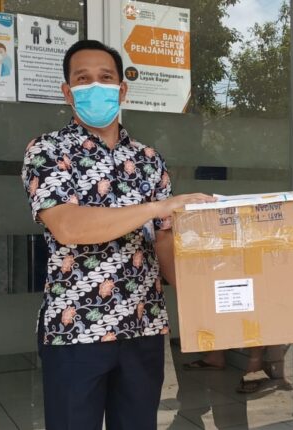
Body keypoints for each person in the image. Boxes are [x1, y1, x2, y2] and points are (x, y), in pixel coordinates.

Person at [21, 39, 214, 430]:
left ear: (122, 89)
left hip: (143, 326)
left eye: (105, 77)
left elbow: (164, 243)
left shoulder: (149, 159)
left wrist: (214, 292)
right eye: (83, 79)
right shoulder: (48, 151)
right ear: (67, 92)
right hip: (76, 329)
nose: (95, 86)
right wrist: (157, 208)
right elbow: (68, 226)